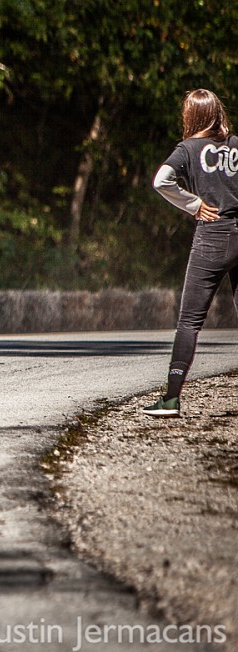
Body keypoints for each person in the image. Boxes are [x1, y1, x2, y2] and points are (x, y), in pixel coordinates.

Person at [143, 88, 238, 418]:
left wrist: (194, 204)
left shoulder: (188, 149)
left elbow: (161, 181)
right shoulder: (236, 145)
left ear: (192, 116)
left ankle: (171, 399)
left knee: (189, 322)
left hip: (212, 236)